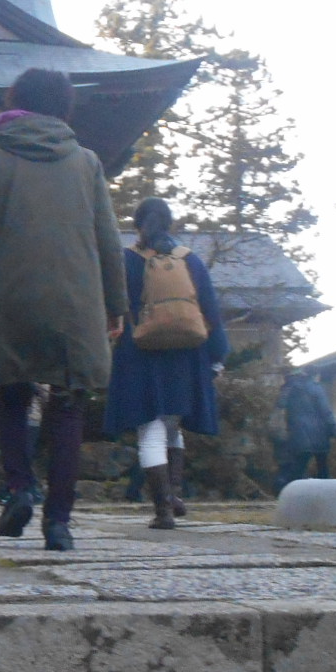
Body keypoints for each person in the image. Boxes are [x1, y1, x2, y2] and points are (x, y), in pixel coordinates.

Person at [0, 67, 127, 552]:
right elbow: (107, 240)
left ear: (17, 100)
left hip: (15, 294)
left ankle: (19, 487)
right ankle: (59, 523)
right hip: (76, 298)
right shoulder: (86, 162)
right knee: (68, 404)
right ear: (64, 107)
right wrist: (115, 304)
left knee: (12, 393)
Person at [106, 198, 227, 529]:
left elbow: (113, 306)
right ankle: (173, 495)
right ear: (170, 224)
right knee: (172, 425)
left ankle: (162, 511)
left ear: (138, 224)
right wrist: (217, 355)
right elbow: (211, 312)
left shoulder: (127, 261)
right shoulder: (189, 260)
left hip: (141, 353)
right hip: (187, 354)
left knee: (150, 429)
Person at [277, 369, 336, 490]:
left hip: (298, 434)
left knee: (299, 466)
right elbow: (326, 411)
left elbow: (280, 404)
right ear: (315, 375)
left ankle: (288, 490)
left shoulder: (289, 388)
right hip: (319, 433)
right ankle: (324, 495)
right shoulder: (316, 388)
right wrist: (334, 430)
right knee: (323, 467)